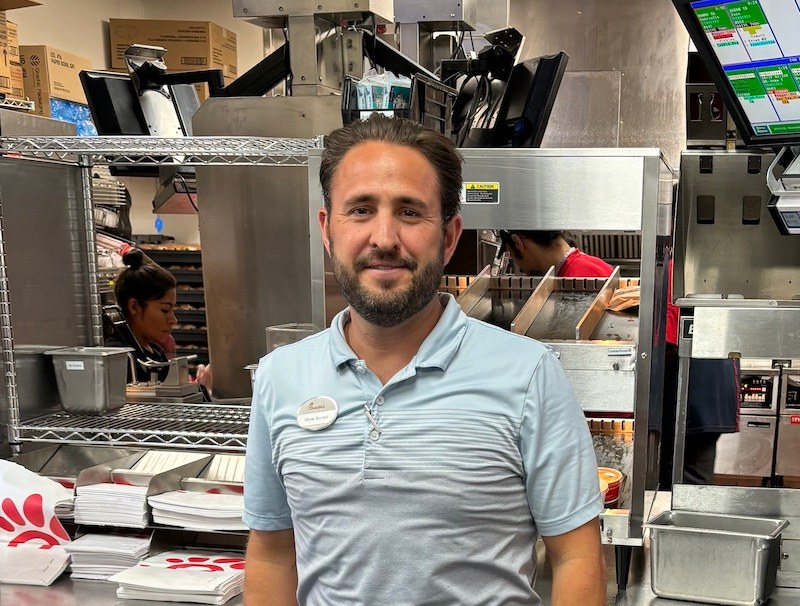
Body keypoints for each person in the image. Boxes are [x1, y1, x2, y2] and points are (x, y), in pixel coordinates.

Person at [243, 115, 606, 605]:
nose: (385, 237)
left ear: (450, 235)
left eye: (410, 212)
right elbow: (272, 553)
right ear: (327, 229)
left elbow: (575, 556)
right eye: (361, 210)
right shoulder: (279, 377)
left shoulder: (529, 375)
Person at [659, 260, 739, 486]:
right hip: (715, 387)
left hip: (692, 392)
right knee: (694, 476)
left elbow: (667, 340)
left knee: (679, 480)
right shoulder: (715, 268)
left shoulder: (677, 270)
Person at [104, 248, 177, 383]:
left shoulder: (155, 351)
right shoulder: (118, 358)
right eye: (165, 310)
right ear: (134, 307)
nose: (173, 320)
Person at [499, 230, 613, 277]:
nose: (519, 266)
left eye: (512, 257)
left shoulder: (579, 276)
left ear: (518, 243)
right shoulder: (582, 265)